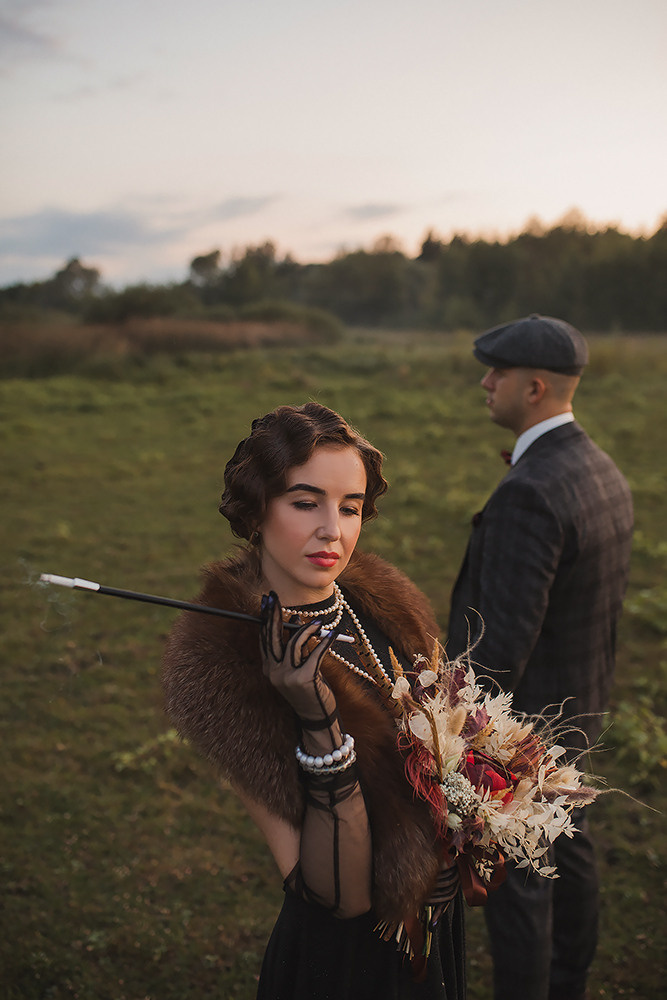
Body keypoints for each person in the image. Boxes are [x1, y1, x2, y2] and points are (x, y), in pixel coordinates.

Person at [162, 402, 466, 1000]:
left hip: (428, 935)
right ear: (256, 511)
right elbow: (338, 896)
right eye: (305, 503)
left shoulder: (387, 605)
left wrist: (463, 837)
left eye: (350, 508)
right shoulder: (227, 663)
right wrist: (317, 720)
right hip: (341, 967)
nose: (333, 529)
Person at [447, 315, 634, 1000]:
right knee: (571, 849)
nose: (483, 383)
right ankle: (568, 982)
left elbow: (500, 647)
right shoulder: (600, 468)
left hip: (525, 726)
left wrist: (458, 733)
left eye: (495, 374)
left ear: (532, 387)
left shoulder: (529, 492)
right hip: (578, 705)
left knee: (520, 876)